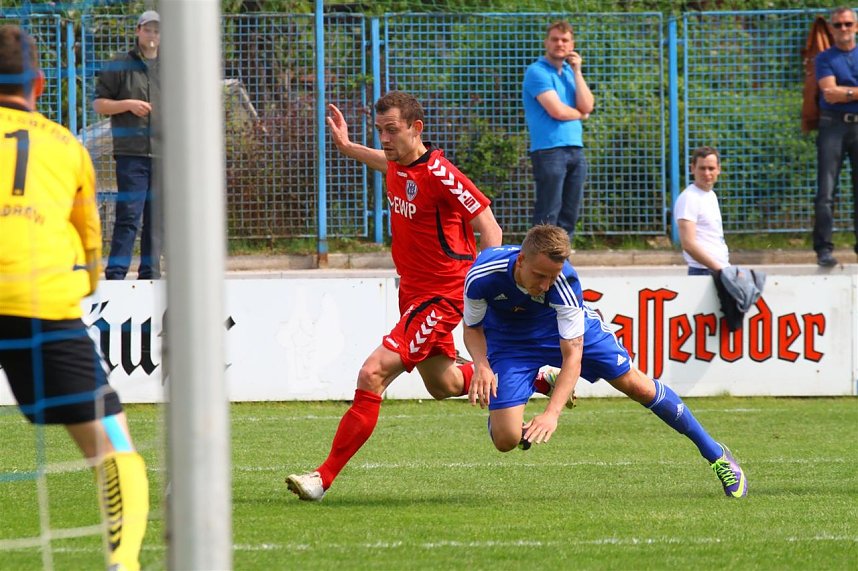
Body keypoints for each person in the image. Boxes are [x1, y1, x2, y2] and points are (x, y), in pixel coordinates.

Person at [286, 91, 512, 502]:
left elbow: (490, 228)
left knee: (372, 372)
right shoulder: (396, 163)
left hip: (442, 296)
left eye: (392, 131)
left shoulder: (442, 174)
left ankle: (322, 477)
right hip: (413, 294)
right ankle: (534, 376)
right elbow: (383, 163)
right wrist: (349, 146)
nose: (385, 139)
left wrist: (483, 289)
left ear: (416, 128)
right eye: (380, 131)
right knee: (442, 384)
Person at [0, 25, 149, 569]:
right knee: (113, 444)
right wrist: (79, 291)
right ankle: (124, 560)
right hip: (40, 303)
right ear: (39, 83)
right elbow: (90, 247)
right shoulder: (68, 147)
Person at [463, 224, 748, 498]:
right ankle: (536, 383)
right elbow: (472, 327)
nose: (546, 284)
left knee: (636, 386)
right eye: (539, 275)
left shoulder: (563, 281)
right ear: (521, 260)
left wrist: (552, 414)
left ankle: (717, 456)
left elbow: (572, 354)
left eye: (552, 277)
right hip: (511, 340)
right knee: (505, 440)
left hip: (557, 330)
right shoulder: (483, 273)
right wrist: (483, 366)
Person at [94, 10, 162, 280]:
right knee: (129, 216)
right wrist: (128, 105)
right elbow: (99, 103)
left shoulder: (173, 67)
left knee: (157, 220)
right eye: (148, 29)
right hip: (130, 153)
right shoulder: (120, 64)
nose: (153, 35)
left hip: (164, 154)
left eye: (157, 30)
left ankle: (151, 274)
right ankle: (116, 274)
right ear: (138, 31)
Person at [523, 20, 595, 241]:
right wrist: (581, 114)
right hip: (549, 151)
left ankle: (561, 264)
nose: (559, 44)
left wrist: (577, 70)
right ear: (547, 42)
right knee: (548, 212)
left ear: (572, 44)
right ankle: (536, 265)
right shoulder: (537, 71)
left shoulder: (570, 74)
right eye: (555, 39)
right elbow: (557, 111)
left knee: (569, 214)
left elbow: (588, 104)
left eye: (565, 40)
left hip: (575, 150)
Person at [814, 5, 858, 267]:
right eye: (838, 25)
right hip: (833, 126)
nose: (843, 29)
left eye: (848, 24)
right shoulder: (824, 58)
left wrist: (847, 93)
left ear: (856, 26)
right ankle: (824, 249)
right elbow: (828, 91)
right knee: (826, 190)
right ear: (831, 29)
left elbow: (837, 91)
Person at [673, 146, 730, 276]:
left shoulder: (710, 195)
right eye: (702, 168)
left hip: (718, 268)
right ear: (692, 168)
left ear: (718, 170)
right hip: (703, 271)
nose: (707, 173)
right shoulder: (689, 198)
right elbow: (688, 244)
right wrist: (719, 269)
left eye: (711, 168)